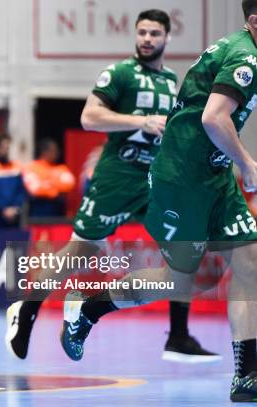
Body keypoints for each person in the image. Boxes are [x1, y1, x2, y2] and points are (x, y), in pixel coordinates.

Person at [59, 1, 257, 401]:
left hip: (214, 175)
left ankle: (247, 376)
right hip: (181, 180)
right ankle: (89, 310)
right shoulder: (245, 58)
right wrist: (248, 163)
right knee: (177, 281)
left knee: (250, 263)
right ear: (255, 20)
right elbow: (213, 118)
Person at [6, 9, 218, 363]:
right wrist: (140, 121)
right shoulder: (120, 73)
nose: (147, 39)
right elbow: (89, 117)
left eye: (154, 33)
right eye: (142, 32)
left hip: (156, 179)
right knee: (80, 252)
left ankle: (178, 335)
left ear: (167, 38)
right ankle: (26, 311)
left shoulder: (170, 79)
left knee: (184, 248)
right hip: (117, 177)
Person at [23, 138, 75, 218]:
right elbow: (35, 189)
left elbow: (69, 184)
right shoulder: (32, 167)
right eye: (54, 151)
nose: (57, 153)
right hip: (39, 211)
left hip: (58, 211)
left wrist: (47, 183)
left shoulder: (62, 168)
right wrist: (56, 191)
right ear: (45, 152)